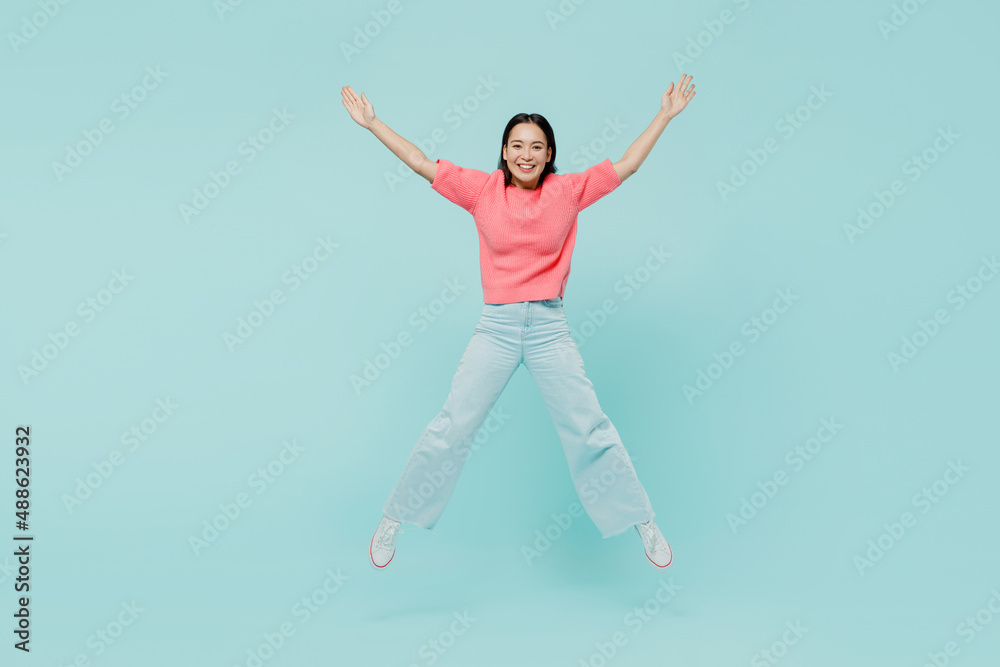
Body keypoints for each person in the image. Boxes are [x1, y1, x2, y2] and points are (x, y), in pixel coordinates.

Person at [341, 75, 696, 570]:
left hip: (550, 327)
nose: (526, 154)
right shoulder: (482, 191)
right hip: (498, 328)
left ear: (549, 153)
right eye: (516, 145)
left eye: (536, 146)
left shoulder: (568, 191)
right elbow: (422, 162)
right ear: (504, 152)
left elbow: (628, 165)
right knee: (453, 423)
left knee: (589, 426)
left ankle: (642, 521)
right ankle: (395, 518)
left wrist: (665, 115)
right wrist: (373, 123)